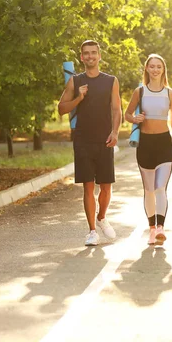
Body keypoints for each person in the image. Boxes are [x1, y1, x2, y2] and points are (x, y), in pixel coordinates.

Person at [57, 40, 122, 246]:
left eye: (93, 53)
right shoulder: (75, 81)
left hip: (104, 139)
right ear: (81, 57)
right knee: (88, 187)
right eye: (86, 53)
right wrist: (78, 98)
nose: (90, 56)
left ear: (99, 56)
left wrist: (115, 132)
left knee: (106, 187)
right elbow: (61, 108)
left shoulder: (111, 80)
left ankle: (102, 217)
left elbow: (116, 109)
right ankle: (92, 231)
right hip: (83, 140)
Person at [124, 54, 172, 246]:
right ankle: (151, 229)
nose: (156, 70)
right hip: (145, 144)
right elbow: (127, 113)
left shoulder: (170, 93)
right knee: (149, 189)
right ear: (147, 69)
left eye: (159, 66)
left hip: (164, 143)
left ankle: (160, 228)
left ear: (163, 69)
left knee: (160, 188)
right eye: (152, 66)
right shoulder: (139, 92)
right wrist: (134, 119)